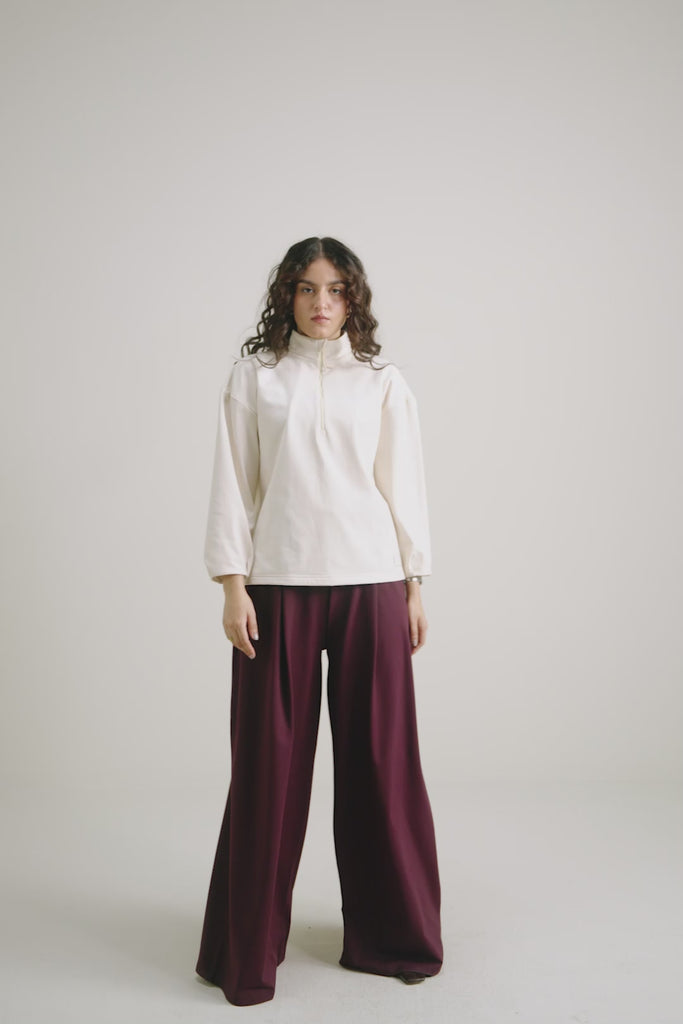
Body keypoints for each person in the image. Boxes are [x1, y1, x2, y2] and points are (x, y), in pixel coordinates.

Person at [195, 236, 443, 1006]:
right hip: (278, 587)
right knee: (266, 770)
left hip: (372, 582)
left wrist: (413, 584)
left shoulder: (381, 381)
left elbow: (403, 485)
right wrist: (232, 586)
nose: (321, 302)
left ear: (352, 298)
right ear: (287, 296)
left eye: (335, 289)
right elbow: (232, 485)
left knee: (382, 764)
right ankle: (246, 954)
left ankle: (395, 939)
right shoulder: (256, 378)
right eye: (306, 288)